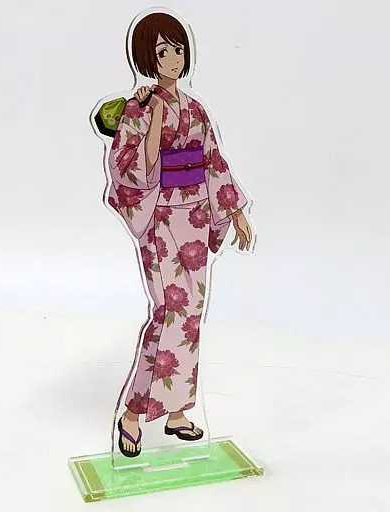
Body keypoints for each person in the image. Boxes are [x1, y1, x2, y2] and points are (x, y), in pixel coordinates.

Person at [105, 11, 253, 457]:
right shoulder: (138, 109)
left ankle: (176, 410)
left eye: (178, 49)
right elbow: (131, 168)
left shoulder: (196, 109)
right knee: (169, 310)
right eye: (162, 51)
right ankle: (133, 413)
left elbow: (213, 161)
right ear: (146, 58)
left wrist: (235, 210)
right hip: (160, 217)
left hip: (196, 216)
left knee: (190, 313)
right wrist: (151, 117)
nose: (173, 58)